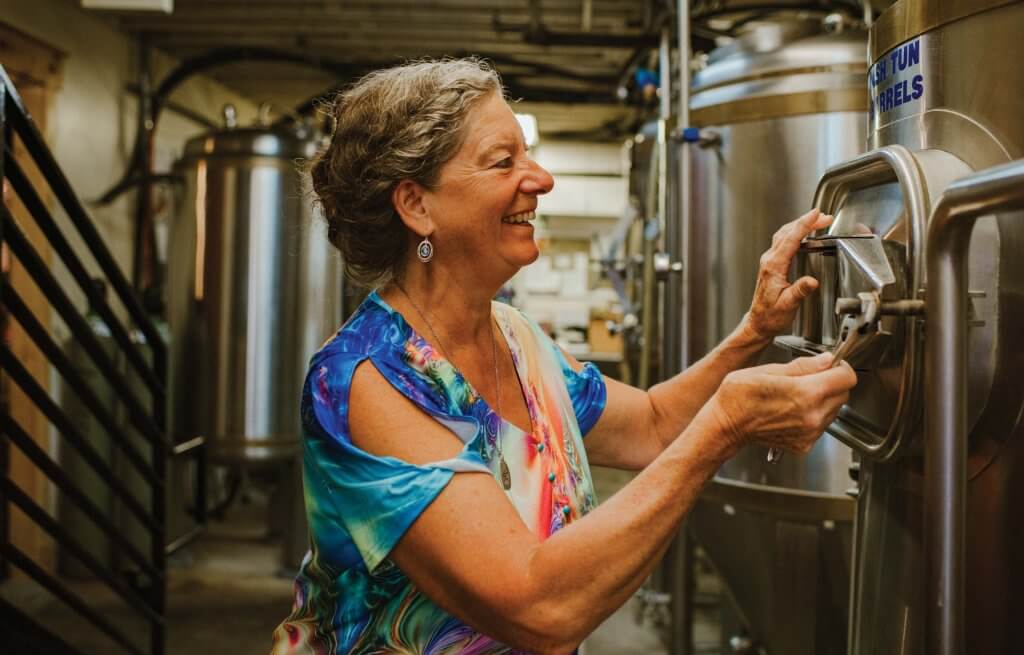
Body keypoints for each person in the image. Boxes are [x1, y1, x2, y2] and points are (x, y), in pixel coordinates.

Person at [270, 58, 857, 655]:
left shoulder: (516, 338)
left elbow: (652, 425)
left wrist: (754, 331)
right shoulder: (369, 380)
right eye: (504, 161)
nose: (542, 179)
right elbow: (536, 607)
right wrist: (724, 427)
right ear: (417, 205)